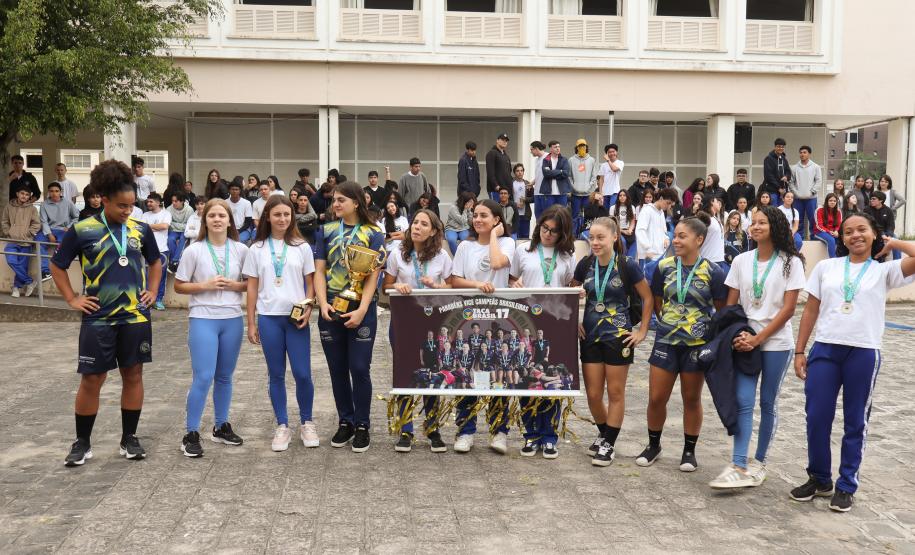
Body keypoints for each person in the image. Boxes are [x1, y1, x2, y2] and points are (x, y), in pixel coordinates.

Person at [790, 214, 915, 512]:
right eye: (848, 231)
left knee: (855, 420)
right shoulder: (826, 267)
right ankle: (819, 479)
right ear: (842, 238)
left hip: (863, 352)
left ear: (874, 235)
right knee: (817, 416)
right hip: (825, 350)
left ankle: (846, 484)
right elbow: (810, 311)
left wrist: (893, 242)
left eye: (862, 230)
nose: (855, 235)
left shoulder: (884, 271)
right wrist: (799, 351)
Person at [50, 159, 162, 466]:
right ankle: (82, 442)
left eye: (131, 205)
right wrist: (72, 298)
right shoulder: (83, 229)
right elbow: (57, 265)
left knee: (133, 374)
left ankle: (129, 439)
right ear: (104, 200)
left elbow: (155, 262)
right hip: (98, 317)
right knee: (92, 378)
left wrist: (152, 291)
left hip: (135, 316)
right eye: (122, 206)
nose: (128, 211)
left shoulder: (140, 228)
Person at [708, 206, 805, 489]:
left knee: (767, 402)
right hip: (745, 342)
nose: (756, 226)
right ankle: (738, 464)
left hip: (775, 344)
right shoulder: (740, 260)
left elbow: (788, 310)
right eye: (755, 222)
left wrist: (758, 339)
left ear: (776, 226)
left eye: (763, 222)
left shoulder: (791, 262)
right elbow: (731, 306)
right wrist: (739, 335)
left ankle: (759, 462)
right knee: (743, 401)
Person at [637, 217, 727, 472]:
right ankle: (654, 445)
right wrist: (670, 322)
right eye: (675, 235)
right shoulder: (663, 267)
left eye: (682, 236)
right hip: (666, 340)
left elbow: (720, 311)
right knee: (656, 398)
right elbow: (656, 301)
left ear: (699, 239)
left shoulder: (713, 271)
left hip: (697, 345)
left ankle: (689, 450)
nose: (676, 240)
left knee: (691, 398)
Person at [573, 216, 653, 466]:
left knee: (615, 392)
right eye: (591, 238)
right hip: (590, 336)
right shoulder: (584, 265)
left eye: (600, 237)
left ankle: (608, 443)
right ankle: (603, 433)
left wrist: (642, 332)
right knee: (594, 395)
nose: (595, 242)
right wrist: (574, 320)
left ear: (614, 237)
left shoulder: (628, 265)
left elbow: (648, 299)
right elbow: (571, 295)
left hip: (619, 338)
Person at [242, 195, 319, 452]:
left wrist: (309, 307)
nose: (283, 219)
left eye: (287, 214)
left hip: (296, 318)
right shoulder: (257, 249)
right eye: (277, 214)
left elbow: (310, 282)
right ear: (268, 217)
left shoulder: (302, 246)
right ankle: (282, 425)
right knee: (276, 374)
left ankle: (307, 421)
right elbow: (252, 287)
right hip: (269, 318)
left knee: (302, 373)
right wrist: (251, 322)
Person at [314, 182, 386, 453]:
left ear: (357, 202)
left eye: (341, 200)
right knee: (337, 369)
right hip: (331, 307)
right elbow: (320, 271)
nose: (335, 204)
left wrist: (362, 309)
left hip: (361, 310)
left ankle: (363, 425)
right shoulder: (326, 231)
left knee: (359, 368)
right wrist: (322, 304)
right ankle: (345, 421)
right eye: (334, 200)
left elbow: (373, 276)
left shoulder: (374, 233)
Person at [174, 199, 249, 457]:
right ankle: (191, 432)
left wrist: (233, 285)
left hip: (232, 318)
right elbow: (179, 285)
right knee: (203, 376)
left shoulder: (240, 249)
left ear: (230, 220)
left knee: (225, 376)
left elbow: (250, 284)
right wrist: (205, 285)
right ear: (204, 220)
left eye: (222, 215)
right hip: (203, 318)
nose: (217, 219)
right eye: (212, 215)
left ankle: (221, 426)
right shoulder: (194, 250)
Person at [508, 206, 577, 458]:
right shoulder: (523, 250)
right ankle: (531, 435)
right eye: (545, 228)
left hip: (555, 325)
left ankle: (549, 436)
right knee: (528, 378)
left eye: (554, 231)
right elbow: (512, 279)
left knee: (552, 380)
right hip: (526, 324)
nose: (548, 234)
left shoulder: (568, 256)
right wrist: (513, 282)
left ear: (563, 233)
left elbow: (569, 285)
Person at [384, 209, 453, 452]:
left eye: (424, 224)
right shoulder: (397, 254)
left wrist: (437, 286)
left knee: (432, 374)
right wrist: (398, 285)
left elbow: (452, 285)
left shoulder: (442, 256)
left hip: (432, 323)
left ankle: (433, 429)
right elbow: (386, 286)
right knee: (405, 373)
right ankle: (405, 430)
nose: (417, 227)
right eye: (415, 222)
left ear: (433, 231)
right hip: (403, 322)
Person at [450, 199, 516, 454]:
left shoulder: (507, 243)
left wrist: (495, 236)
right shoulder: (465, 246)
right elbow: (455, 280)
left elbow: (498, 263)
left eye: (484, 216)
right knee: (468, 373)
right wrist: (477, 285)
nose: (477, 220)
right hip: (469, 318)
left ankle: (499, 432)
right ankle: (465, 431)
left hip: (500, 318)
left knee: (497, 372)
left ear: (497, 220)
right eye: (475, 215)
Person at [2, 182, 41, 297]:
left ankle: (16, 289)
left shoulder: (32, 209)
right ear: (17, 194)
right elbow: (4, 221)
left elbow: (36, 224)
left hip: (26, 242)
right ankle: (30, 281)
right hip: (12, 241)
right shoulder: (9, 207)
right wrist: (8, 232)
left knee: (22, 266)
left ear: (29, 196)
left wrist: (28, 234)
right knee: (11, 260)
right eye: (22, 194)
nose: (24, 196)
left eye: (27, 195)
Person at [139, 193, 171, 310]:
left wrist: (149, 227)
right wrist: (152, 227)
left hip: (162, 250)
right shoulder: (145, 214)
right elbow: (141, 228)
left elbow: (164, 226)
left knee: (161, 277)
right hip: (146, 250)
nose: (148, 204)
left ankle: (158, 300)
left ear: (158, 202)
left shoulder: (166, 213)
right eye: (147, 202)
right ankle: (147, 301)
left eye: (151, 202)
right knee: (146, 276)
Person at [635, 188, 677, 268]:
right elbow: (640, 231)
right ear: (661, 198)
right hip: (648, 255)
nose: (669, 206)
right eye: (668, 203)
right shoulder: (647, 210)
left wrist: (666, 238)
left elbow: (664, 231)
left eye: (671, 204)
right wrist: (647, 249)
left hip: (659, 255)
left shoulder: (661, 213)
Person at [789, 146, 822, 240]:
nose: (802, 154)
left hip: (811, 198)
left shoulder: (816, 167)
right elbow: (791, 182)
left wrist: (812, 192)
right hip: (798, 199)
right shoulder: (794, 168)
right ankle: (799, 239)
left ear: (809, 154)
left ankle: (814, 239)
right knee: (798, 220)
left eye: (804, 152)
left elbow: (818, 181)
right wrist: (796, 193)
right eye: (801, 152)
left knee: (813, 220)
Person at [540, 140, 573, 223]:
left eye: (558, 147)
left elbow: (566, 173)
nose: (558, 148)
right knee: (549, 215)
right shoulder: (546, 160)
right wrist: (560, 171)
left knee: (562, 215)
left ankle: (561, 233)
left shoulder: (564, 160)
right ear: (550, 149)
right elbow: (546, 174)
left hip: (561, 192)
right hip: (549, 192)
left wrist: (554, 172)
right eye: (555, 147)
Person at [570, 139, 598, 221]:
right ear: (577, 148)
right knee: (574, 216)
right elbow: (569, 176)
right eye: (580, 146)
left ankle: (586, 233)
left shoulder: (592, 160)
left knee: (588, 215)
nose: (582, 147)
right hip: (575, 194)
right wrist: (573, 187)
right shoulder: (571, 160)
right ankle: (574, 233)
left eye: (584, 146)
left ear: (586, 147)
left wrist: (589, 188)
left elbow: (594, 176)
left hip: (588, 194)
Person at [166, 192, 194, 272]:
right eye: (172, 201)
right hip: (173, 230)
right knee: (170, 240)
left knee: (183, 239)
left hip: (185, 231)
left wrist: (176, 225)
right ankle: (174, 262)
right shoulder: (169, 209)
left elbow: (190, 225)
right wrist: (182, 225)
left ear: (182, 201)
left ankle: (174, 262)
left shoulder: (189, 210)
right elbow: (169, 223)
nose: (173, 203)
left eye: (176, 201)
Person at [866, 191, 898, 260]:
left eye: (874, 199)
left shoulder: (888, 211)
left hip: (886, 233)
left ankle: (898, 263)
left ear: (881, 200)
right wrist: (882, 234)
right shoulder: (867, 210)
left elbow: (891, 225)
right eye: (871, 199)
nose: (871, 200)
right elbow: (873, 224)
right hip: (873, 231)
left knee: (895, 240)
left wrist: (889, 235)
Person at [762, 138, 791, 206]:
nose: (780, 148)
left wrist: (786, 177)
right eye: (778, 146)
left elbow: (788, 171)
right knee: (773, 211)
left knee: (781, 211)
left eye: (782, 147)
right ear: (775, 147)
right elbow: (768, 176)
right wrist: (778, 188)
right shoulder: (768, 159)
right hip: (772, 191)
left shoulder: (784, 159)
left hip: (783, 191)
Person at [530, 140, 554, 218]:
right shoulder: (537, 160)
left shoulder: (549, 157)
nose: (531, 152)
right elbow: (540, 174)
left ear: (536, 149)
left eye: (531, 149)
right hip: (537, 193)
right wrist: (533, 182)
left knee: (546, 216)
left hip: (546, 193)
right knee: (538, 216)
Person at [700, 198, 726, 269]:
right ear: (711, 202)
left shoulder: (715, 218)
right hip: (707, 260)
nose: (719, 204)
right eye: (717, 202)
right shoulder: (704, 219)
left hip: (719, 259)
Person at [814, 193, 842, 258]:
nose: (832, 202)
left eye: (834, 201)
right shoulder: (819, 210)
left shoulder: (838, 211)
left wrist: (836, 231)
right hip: (820, 232)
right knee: (831, 240)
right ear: (827, 201)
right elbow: (819, 225)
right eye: (830, 200)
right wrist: (830, 232)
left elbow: (839, 224)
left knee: (842, 239)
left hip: (833, 232)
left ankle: (842, 258)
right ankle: (832, 260)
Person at [486, 133, 512, 201]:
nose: (504, 142)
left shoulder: (506, 156)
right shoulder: (492, 153)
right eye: (502, 140)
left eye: (506, 141)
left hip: (506, 191)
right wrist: (496, 185)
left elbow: (509, 172)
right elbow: (490, 172)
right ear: (497, 141)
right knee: (495, 210)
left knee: (504, 211)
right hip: (496, 190)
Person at [598, 144, 624, 210]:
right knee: (604, 212)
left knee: (612, 211)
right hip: (605, 193)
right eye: (609, 152)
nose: (612, 153)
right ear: (607, 154)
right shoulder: (603, 165)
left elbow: (614, 169)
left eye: (613, 151)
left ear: (616, 152)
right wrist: (600, 192)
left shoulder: (620, 162)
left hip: (615, 192)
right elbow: (601, 179)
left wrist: (608, 160)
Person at [612, 189, 637, 257]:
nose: (622, 197)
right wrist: (623, 231)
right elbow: (612, 223)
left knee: (635, 242)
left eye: (624, 195)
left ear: (627, 197)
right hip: (618, 232)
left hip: (629, 231)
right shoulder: (613, 208)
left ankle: (630, 260)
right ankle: (622, 261)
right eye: (620, 195)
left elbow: (632, 221)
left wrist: (630, 230)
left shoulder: (632, 207)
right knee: (623, 242)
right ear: (618, 197)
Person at [511, 163, 533, 239]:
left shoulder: (527, 184)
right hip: (514, 215)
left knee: (525, 237)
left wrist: (525, 199)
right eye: (517, 171)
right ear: (514, 172)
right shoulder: (511, 183)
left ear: (523, 172)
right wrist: (515, 204)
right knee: (514, 237)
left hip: (525, 215)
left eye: (521, 170)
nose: (520, 172)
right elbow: (506, 199)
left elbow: (533, 199)